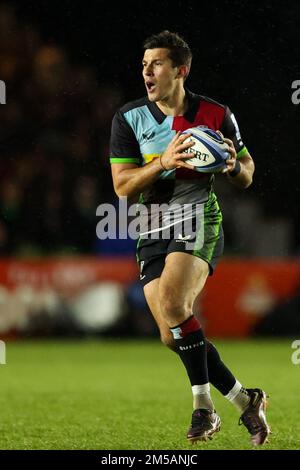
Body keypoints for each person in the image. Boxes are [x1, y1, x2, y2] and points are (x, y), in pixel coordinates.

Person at [109, 30, 270, 445]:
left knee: (174, 304)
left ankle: (203, 409)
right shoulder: (129, 118)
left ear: (181, 70)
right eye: (144, 64)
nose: (147, 71)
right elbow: (123, 187)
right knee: (171, 333)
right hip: (151, 227)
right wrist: (162, 161)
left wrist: (234, 167)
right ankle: (245, 399)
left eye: (156, 63)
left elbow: (248, 172)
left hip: (197, 218)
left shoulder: (216, 115)